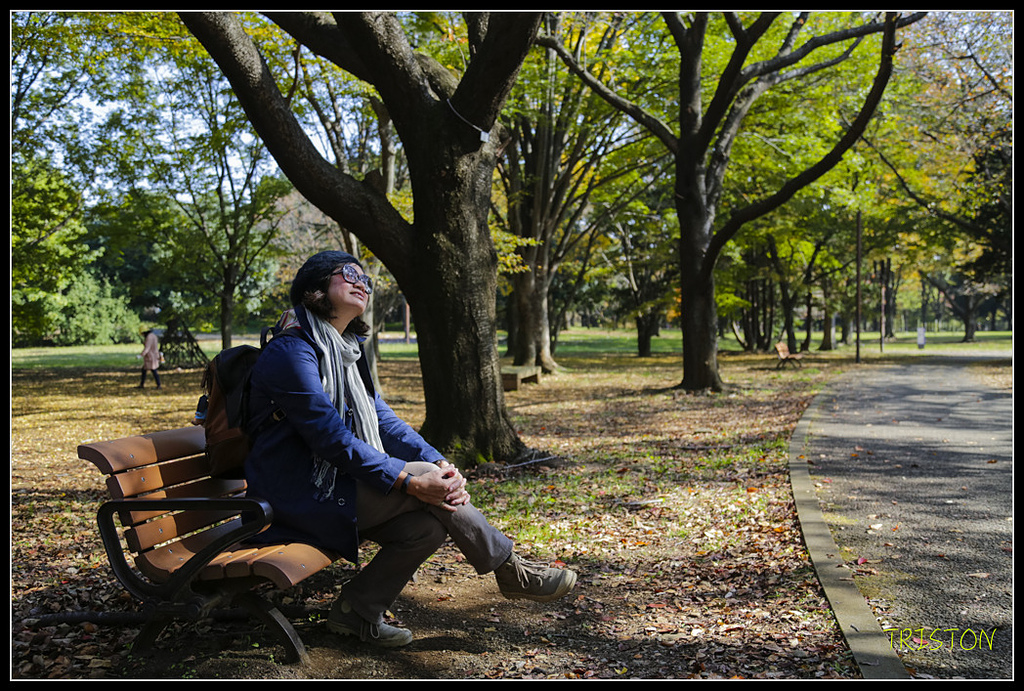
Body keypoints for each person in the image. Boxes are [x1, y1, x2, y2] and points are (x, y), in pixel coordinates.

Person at [243, 250, 577, 648]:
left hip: (330, 485)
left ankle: (357, 610)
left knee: (426, 527)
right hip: (293, 496)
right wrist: (408, 479)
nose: (361, 281)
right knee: (424, 485)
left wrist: (439, 462)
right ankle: (510, 569)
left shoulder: (345, 350)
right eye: (348, 273)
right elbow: (330, 437)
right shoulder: (291, 351)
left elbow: (383, 420)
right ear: (315, 288)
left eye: (365, 277)